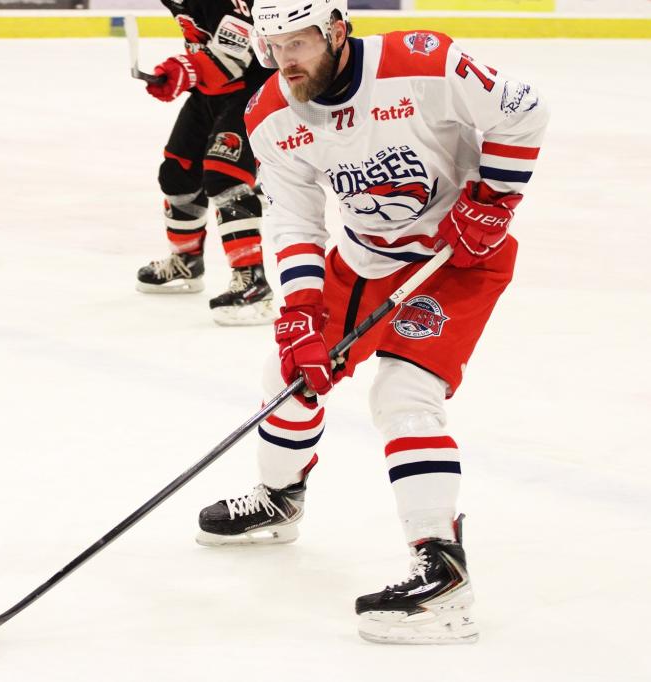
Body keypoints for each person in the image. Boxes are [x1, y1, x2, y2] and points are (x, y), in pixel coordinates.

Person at [195, 0, 549, 643]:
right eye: (271, 46)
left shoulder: (421, 61)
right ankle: (279, 498)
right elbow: (295, 220)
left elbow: (522, 109)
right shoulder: (270, 113)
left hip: (458, 260)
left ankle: (442, 575)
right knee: (289, 378)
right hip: (365, 260)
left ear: (336, 29)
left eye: (297, 43)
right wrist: (300, 312)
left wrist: (493, 200)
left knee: (403, 393)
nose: (283, 62)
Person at [136, 0, 276, 326]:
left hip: (251, 90)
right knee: (178, 172)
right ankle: (187, 261)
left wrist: (184, 70)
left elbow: (235, 56)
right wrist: (185, 72)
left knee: (225, 176)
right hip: (210, 92)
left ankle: (252, 281)